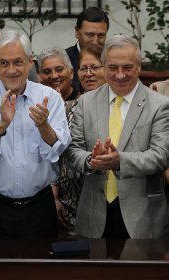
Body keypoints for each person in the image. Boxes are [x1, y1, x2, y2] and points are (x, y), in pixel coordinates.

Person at [0, 30, 71, 238]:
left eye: (18, 62)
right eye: (4, 63)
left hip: (39, 206)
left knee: (38, 269)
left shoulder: (49, 97)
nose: (11, 70)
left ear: (30, 62)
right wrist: (1, 125)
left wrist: (43, 126)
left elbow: (60, 147)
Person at [64, 35, 169, 239]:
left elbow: (161, 155)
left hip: (143, 218)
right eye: (113, 67)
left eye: (127, 67)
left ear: (139, 66)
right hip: (94, 215)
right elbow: (71, 151)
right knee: (94, 271)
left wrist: (120, 160)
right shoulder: (86, 103)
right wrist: (91, 160)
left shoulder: (159, 105)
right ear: (103, 67)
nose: (120, 75)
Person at [52, 45, 106, 235]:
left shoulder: (115, 109)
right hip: (68, 205)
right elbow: (54, 154)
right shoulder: (65, 108)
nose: (89, 73)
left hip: (103, 202)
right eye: (84, 68)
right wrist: (54, 193)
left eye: (95, 67)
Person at [65, 7, 109, 92]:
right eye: (89, 35)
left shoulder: (112, 60)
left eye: (101, 36)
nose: (95, 42)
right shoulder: (63, 60)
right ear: (77, 32)